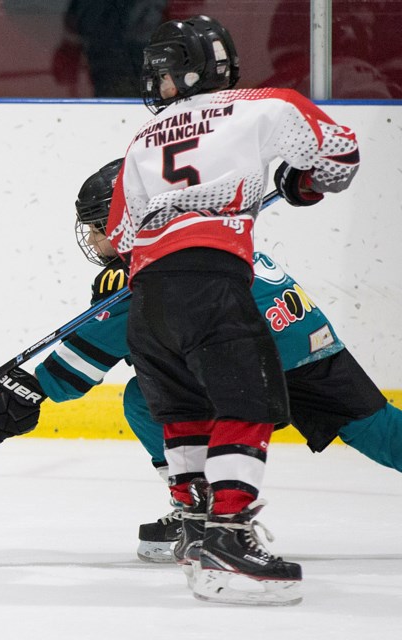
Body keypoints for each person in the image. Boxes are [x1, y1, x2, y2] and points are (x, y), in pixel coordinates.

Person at [0, 159, 402, 570]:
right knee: (382, 431)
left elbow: (88, 357)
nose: (92, 239)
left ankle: (200, 508)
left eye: (97, 225)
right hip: (310, 348)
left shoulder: (153, 269)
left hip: (249, 366)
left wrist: (33, 389)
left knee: (145, 399)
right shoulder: (204, 228)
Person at [108, 15, 359, 605]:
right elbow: (341, 158)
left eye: (166, 73)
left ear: (195, 68)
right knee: (245, 401)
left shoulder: (143, 140)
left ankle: (197, 532)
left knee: (183, 410)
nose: (160, 85)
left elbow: (120, 233)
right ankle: (228, 535)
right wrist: (303, 182)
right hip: (212, 280)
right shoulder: (265, 105)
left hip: (149, 297)